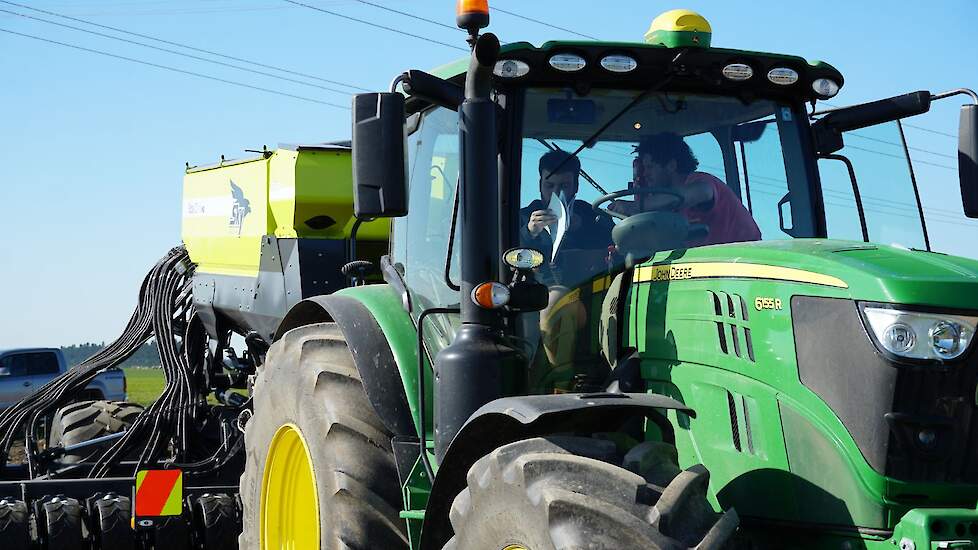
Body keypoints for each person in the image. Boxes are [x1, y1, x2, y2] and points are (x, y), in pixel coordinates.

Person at [613, 133, 761, 247]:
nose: (645, 174)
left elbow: (692, 194)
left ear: (671, 165)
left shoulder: (700, 182)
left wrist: (635, 207)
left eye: (650, 167)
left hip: (745, 264)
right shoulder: (671, 211)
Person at [520, 150, 615, 281]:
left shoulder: (594, 216)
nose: (556, 193)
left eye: (564, 186)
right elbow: (506, 256)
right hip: (536, 294)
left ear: (576, 186)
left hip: (591, 290)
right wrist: (529, 233)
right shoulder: (522, 218)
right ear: (540, 186)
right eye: (549, 185)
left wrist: (583, 227)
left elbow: (616, 250)